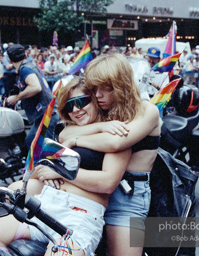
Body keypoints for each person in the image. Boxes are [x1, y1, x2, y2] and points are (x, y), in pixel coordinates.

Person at [0, 77, 132, 256]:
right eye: (69, 106)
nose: (76, 110)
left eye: (81, 102)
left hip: (79, 216)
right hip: (44, 207)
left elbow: (107, 183)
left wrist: (60, 172)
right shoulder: (66, 133)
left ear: (95, 100)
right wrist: (50, 169)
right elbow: (38, 172)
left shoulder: (115, 134)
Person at [57, 53, 161, 256]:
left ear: (121, 83)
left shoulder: (147, 111)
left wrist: (78, 140)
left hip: (127, 195)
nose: (98, 94)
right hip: (92, 188)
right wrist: (101, 127)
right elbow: (64, 133)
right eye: (94, 88)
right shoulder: (105, 113)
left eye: (106, 87)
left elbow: (115, 142)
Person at [5, 44, 59, 147]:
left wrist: (17, 97)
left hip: (46, 113)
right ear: (25, 55)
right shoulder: (29, 66)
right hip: (45, 111)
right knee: (30, 140)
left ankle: (46, 163)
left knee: (39, 145)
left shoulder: (25, 69)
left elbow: (35, 87)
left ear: (9, 59)